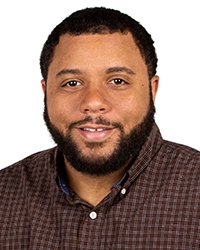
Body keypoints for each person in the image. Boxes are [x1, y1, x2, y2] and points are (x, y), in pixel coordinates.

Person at [0, 7, 200, 249]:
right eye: (71, 83)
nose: (93, 102)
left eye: (118, 81)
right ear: (45, 92)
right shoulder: (4, 194)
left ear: (152, 89)